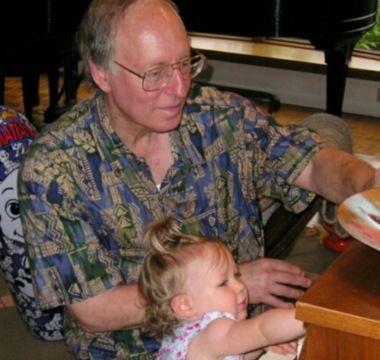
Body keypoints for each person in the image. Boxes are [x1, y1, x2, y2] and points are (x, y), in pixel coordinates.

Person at [18, 0, 379, 358]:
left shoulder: (221, 117)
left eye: (184, 63)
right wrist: (235, 281)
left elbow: (312, 164)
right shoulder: (54, 167)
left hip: (248, 337)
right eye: (155, 73)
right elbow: (92, 309)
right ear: (102, 73)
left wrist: (368, 185)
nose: (179, 88)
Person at [138, 217, 305, 359]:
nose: (240, 286)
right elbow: (261, 329)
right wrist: (309, 316)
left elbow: (234, 353)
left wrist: (262, 344)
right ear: (185, 305)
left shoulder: (186, 331)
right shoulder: (213, 332)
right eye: (223, 283)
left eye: (237, 275)